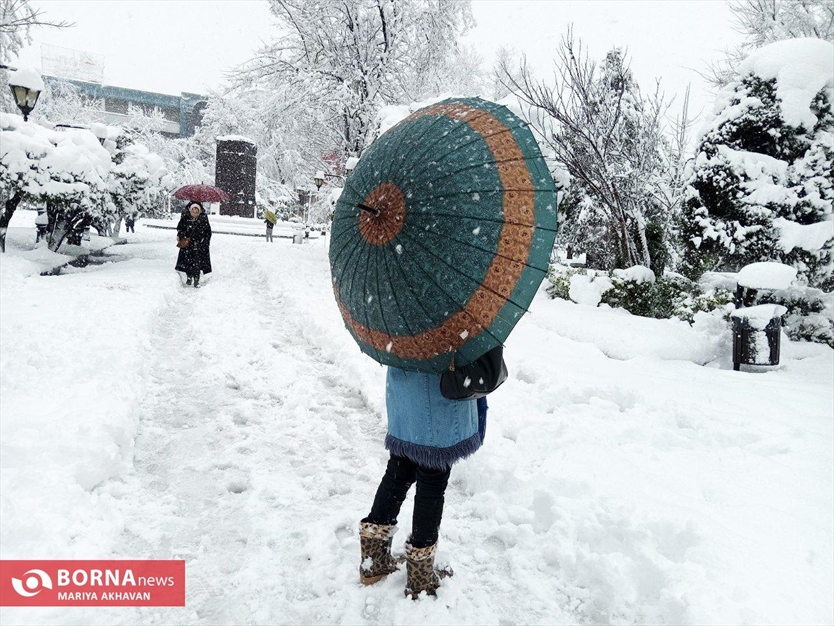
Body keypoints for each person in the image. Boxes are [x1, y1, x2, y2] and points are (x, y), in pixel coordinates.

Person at [359, 367, 486, 599]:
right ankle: (420, 579)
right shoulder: (442, 328)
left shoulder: (399, 329)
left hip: (404, 387)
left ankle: (373, 560)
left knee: (399, 469)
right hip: (439, 393)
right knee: (432, 481)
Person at [175, 202, 212, 287]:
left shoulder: (203, 220)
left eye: (196, 211)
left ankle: (196, 279)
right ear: (190, 211)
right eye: (193, 211)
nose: (195, 213)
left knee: (197, 263)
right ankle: (189, 277)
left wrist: (204, 242)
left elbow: (208, 232)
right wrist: (183, 235)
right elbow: (180, 229)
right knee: (188, 262)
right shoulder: (185, 218)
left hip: (199, 245)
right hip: (188, 245)